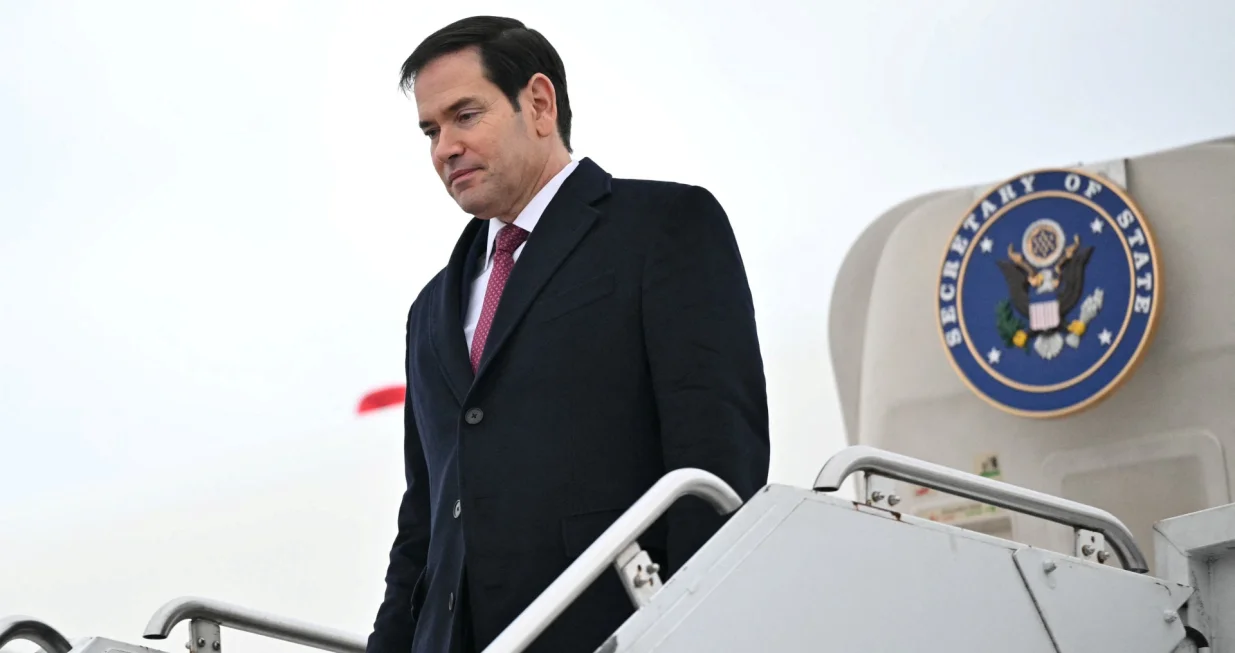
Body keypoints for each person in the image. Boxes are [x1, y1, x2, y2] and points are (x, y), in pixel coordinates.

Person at [365, 15, 770, 653]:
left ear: (539, 103)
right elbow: (424, 523)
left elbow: (716, 466)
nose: (444, 147)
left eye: (464, 116)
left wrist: (684, 632)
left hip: (611, 630)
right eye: (431, 130)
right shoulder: (428, 313)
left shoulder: (663, 228)